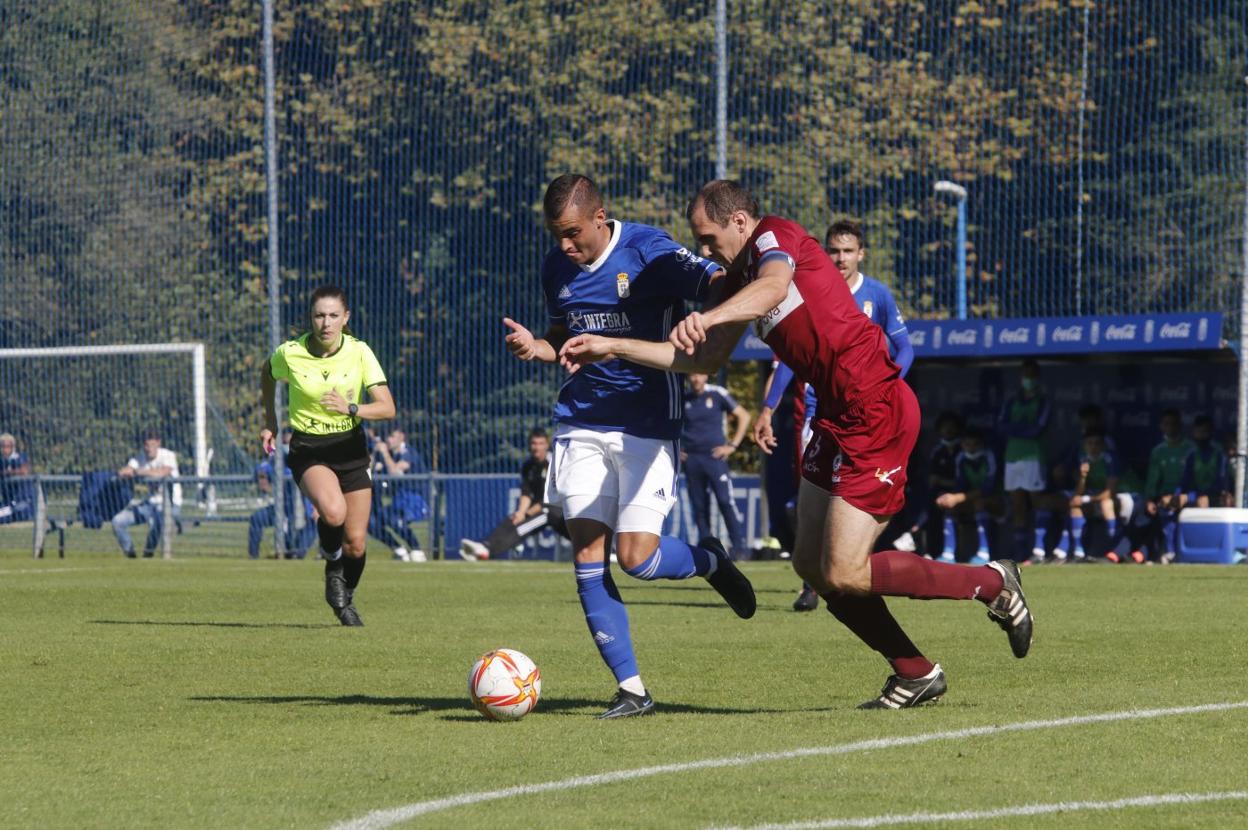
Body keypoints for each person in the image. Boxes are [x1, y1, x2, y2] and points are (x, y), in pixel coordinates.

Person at [561, 179, 1033, 709]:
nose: (706, 251)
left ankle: (993, 583)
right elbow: (702, 359)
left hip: (876, 409)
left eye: (710, 238)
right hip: (836, 416)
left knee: (846, 571)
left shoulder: (773, 237)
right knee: (812, 568)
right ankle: (914, 671)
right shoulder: (735, 278)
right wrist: (613, 346)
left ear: (740, 221)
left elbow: (775, 286)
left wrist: (712, 314)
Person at [503, 174, 756, 719]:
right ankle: (633, 690)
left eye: (573, 233)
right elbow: (560, 338)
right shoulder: (556, 268)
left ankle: (710, 561)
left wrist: (703, 319)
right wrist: (538, 348)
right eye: (556, 236)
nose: (566, 246)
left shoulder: (649, 250)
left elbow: (721, 279)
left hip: (648, 421)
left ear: (600, 217)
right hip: (581, 422)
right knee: (588, 556)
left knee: (637, 558)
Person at [754, 219, 915, 611]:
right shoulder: (807, 287)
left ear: (861, 254)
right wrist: (768, 407)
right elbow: (793, 358)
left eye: (847, 251)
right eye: (833, 250)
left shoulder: (877, 294)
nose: (839, 258)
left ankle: (849, 567)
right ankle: (815, 580)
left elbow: (904, 348)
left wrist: (885, 386)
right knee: (810, 501)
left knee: (852, 503)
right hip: (817, 415)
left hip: (866, 411)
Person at [261, 284, 396, 626]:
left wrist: (351, 407)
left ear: (345, 318)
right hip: (310, 449)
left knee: (357, 543)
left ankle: (344, 597)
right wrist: (270, 422)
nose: (326, 323)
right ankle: (332, 566)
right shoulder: (290, 353)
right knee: (333, 512)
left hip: (351, 449)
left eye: (334, 315)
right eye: (319, 315)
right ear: (311, 318)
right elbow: (267, 373)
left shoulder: (360, 352)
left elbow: (387, 408)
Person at [459, 428, 570, 561]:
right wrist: (521, 512)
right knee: (515, 518)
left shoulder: (554, 462)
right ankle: (484, 547)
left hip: (563, 512)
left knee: (538, 517)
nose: (537, 447)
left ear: (547, 445)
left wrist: (529, 512)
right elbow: (526, 492)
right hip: (545, 510)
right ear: (529, 445)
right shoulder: (528, 466)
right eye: (534, 443)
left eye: (541, 443)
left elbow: (556, 496)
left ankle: (487, 551)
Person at [680, 373, 750, 560]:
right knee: (699, 506)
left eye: (699, 374)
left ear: (706, 376)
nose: (696, 379)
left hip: (714, 458)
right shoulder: (683, 397)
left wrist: (732, 446)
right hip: (692, 459)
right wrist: (677, 448)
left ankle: (739, 548)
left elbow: (744, 415)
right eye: (692, 375)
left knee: (725, 501)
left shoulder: (718, 394)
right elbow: (671, 423)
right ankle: (708, 549)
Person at [996, 359, 1052, 563]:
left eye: (1032, 374)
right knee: (1018, 503)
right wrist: (1023, 428)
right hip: (1012, 457)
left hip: (1033, 457)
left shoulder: (1043, 400)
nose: (1028, 379)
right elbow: (1001, 426)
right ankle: (1021, 553)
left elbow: (1038, 428)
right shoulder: (1012, 400)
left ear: (1037, 376)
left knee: (1037, 501)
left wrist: (1017, 428)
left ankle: (1039, 550)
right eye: (1025, 375)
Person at [934, 427, 1002, 563]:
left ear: (982, 444)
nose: (971, 448)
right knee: (950, 507)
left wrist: (957, 498)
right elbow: (961, 486)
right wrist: (948, 498)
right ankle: (948, 553)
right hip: (971, 499)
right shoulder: (961, 459)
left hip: (998, 501)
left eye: (975, 444)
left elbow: (988, 488)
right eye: (967, 444)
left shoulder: (989, 457)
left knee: (979, 503)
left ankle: (984, 553)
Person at [110, 430, 182, 558]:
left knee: (157, 523)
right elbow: (126, 470)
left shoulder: (168, 455)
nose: (149, 449)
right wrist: (125, 472)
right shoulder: (140, 457)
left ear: (158, 443)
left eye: (152, 445)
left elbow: (162, 472)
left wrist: (139, 472)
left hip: (170, 504)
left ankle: (147, 555)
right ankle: (131, 555)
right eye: (146, 445)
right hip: (149, 504)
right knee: (117, 522)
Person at [248, 428, 317, 559]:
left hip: (306, 512)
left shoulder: (309, 461)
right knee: (256, 519)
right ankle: (253, 557)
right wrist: (261, 474)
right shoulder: (277, 461)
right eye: (285, 443)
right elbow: (263, 468)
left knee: (316, 524)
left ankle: (304, 553)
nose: (288, 448)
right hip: (282, 510)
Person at [1141, 408, 1194, 564]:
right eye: (1166, 424)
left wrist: (1183, 494)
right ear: (1161, 426)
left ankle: (1180, 551)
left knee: (1173, 502)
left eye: (1173, 424)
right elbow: (1153, 479)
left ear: (1180, 425)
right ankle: (1167, 552)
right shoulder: (1158, 451)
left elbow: (1193, 477)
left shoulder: (1190, 449)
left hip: (1188, 493)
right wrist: (1149, 499)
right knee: (1163, 506)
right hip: (1166, 495)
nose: (1170, 427)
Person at [370, 427, 428, 561]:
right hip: (399, 499)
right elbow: (369, 469)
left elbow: (395, 472)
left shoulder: (407, 452)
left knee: (390, 517)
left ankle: (417, 549)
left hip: (415, 499)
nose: (388, 440)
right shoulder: (389, 454)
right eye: (387, 437)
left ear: (401, 436)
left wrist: (384, 454)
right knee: (371, 523)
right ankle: (398, 548)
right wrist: (374, 453)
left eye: (392, 436)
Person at [1069, 429, 1121, 560]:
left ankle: (1113, 549)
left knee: (1106, 504)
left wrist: (1085, 499)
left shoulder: (1110, 460)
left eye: (1097, 443)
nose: (1093, 447)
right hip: (1094, 500)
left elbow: (1110, 492)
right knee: (1075, 506)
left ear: (1102, 446)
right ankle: (1078, 552)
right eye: (1090, 443)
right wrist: (1082, 477)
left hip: (1122, 498)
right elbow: (1078, 493)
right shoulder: (1083, 460)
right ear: (1084, 445)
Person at [1180, 414, 1231, 509]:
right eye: (1198, 432)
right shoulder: (1191, 455)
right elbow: (1185, 482)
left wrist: (1205, 496)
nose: (1201, 435)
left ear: (1211, 432)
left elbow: (1221, 482)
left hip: (1216, 497)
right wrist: (1178, 496)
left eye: (1204, 432)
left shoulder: (1219, 453)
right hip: (1195, 497)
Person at [0, 432, 34, 524]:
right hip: (8, 502)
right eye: (2, 447)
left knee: (16, 512)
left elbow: (24, 471)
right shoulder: (2, 461)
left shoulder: (20, 457)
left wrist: (5, 473)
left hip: (24, 501)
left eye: (7, 446)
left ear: (12, 447)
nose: (4, 449)